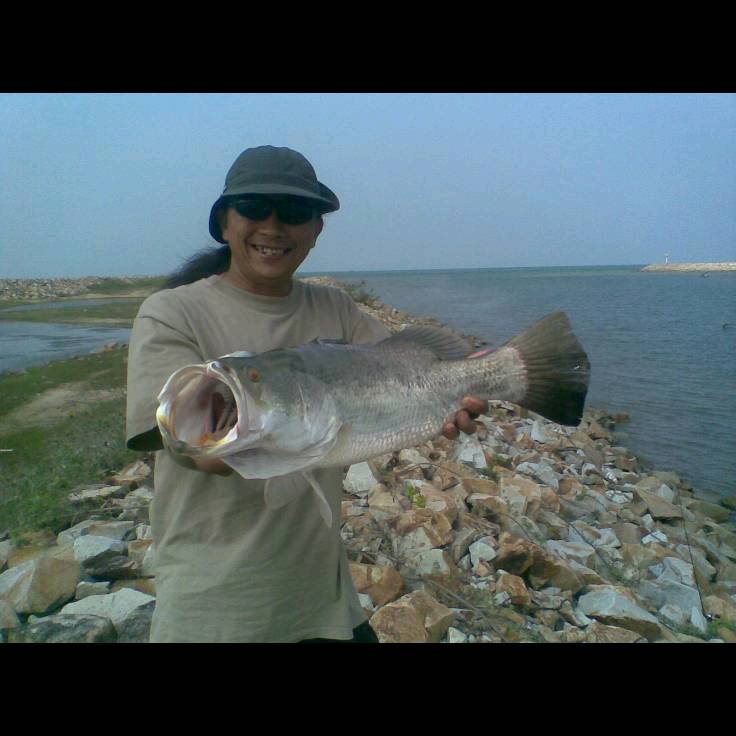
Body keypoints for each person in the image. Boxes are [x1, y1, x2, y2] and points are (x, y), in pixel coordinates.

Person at [125, 145, 487, 643]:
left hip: (325, 603)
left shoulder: (335, 309)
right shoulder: (171, 312)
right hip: (214, 608)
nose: (272, 227)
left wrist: (465, 390)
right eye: (253, 209)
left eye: (294, 213)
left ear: (315, 230)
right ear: (223, 223)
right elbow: (188, 446)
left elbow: (404, 373)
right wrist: (282, 423)